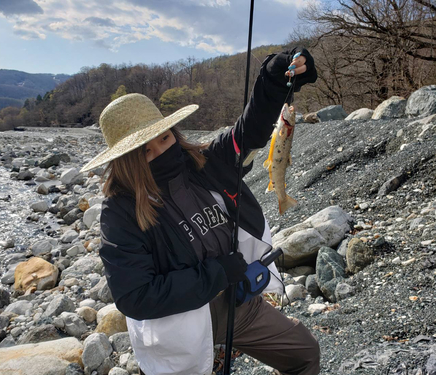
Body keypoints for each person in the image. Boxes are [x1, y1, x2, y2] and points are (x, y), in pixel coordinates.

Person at [80, 47, 320, 375]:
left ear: (174, 133)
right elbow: (135, 296)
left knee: (304, 353)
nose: (161, 151)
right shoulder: (119, 213)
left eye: (164, 138)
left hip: (239, 301)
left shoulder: (206, 163)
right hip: (179, 329)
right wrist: (217, 272)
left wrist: (274, 80)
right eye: (145, 151)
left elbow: (248, 131)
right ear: (126, 161)